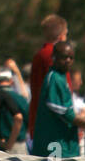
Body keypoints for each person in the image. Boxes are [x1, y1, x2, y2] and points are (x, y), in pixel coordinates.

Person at [30, 40, 85, 159]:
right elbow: (69, 116)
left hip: (64, 145)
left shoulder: (60, 77)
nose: (68, 60)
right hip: (55, 146)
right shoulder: (54, 79)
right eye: (64, 57)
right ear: (54, 57)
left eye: (71, 57)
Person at [29, 13, 69, 142]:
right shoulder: (55, 56)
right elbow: (61, 91)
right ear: (61, 36)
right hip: (53, 126)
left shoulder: (39, 55)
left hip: (39, 121)